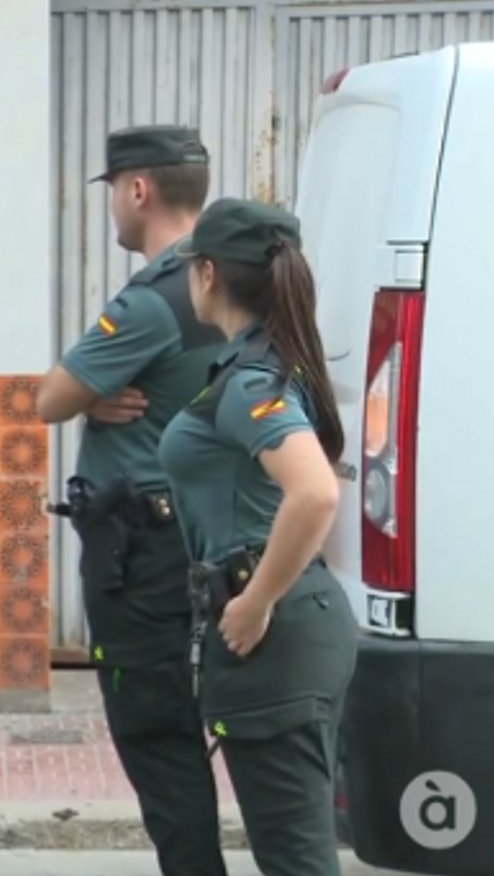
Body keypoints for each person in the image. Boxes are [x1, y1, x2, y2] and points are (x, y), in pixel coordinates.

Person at [35, 125, 228, 876]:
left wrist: (90, 397)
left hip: (144, 554)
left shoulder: (149, 302)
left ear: (138, 190)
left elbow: (50, 399)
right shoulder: (232, 281)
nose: (114, 206)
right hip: (216, 535)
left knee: (157, 733)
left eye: (115, 190)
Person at [160, 198, 357, 876]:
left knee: (295, 859)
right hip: (296, 629)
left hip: (276, 634)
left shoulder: (250, 383)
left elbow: (316, 492)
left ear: (207, 273)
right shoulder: (266, 364)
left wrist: (256, 601)